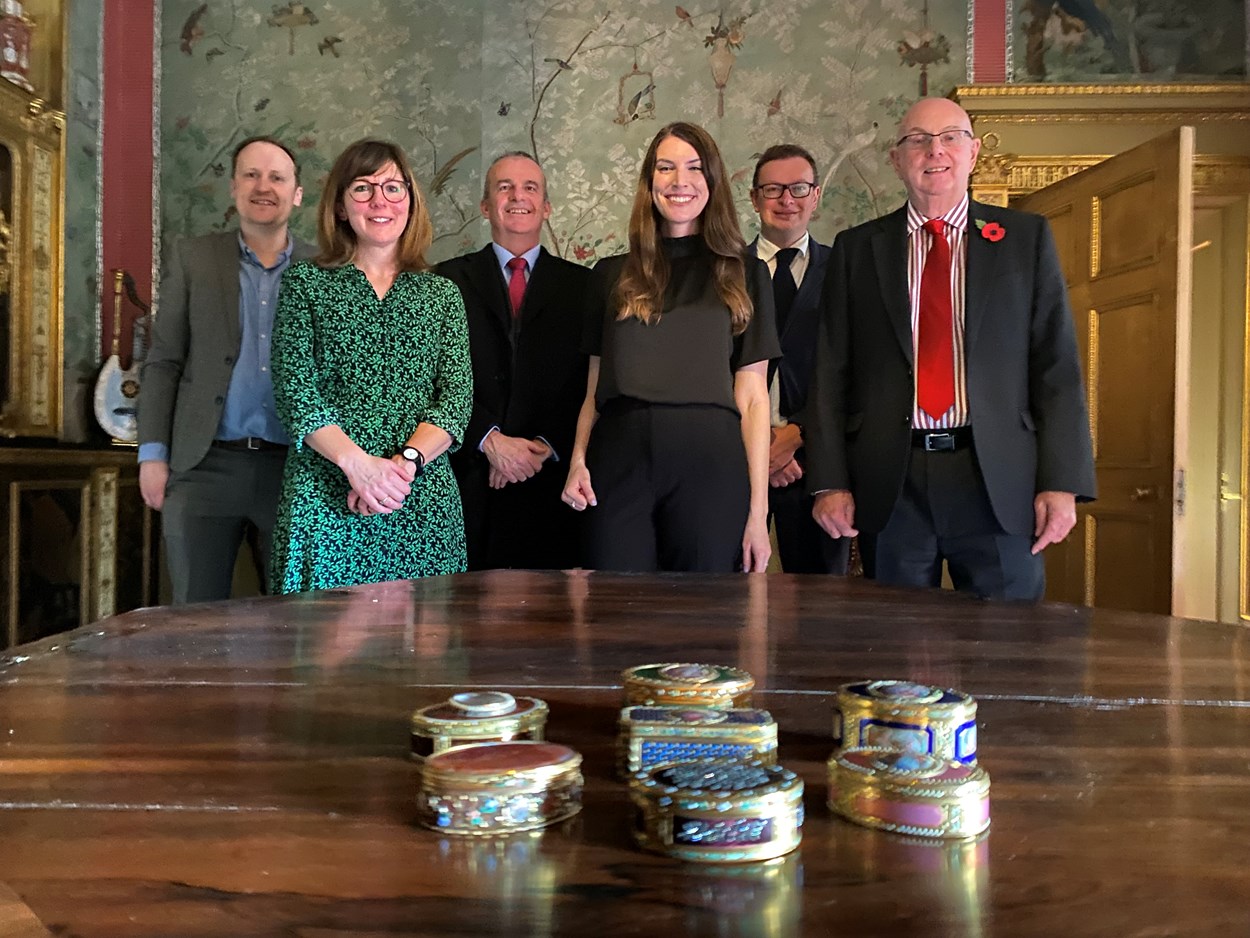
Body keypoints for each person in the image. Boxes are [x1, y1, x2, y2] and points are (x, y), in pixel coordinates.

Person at [805, 97, 1096, 601]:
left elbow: (1056, 368)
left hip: (998, 481)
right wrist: (828, 481)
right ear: (897, 159)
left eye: (950, 137)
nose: (933, 150)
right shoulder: (857, 249)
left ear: (973, 152)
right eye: (916, 139)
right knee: (895, 657)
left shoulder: (1025, 240)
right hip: (891, 483)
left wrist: (1062, 482)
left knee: (1005, 652)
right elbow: (830, 371)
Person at [562, 121, 779, 573]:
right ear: (649, 182)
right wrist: (578, 461)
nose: (680, 181)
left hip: (710, 460)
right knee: (616, 613)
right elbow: (594, 389)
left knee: (703, 620)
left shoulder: (746, 272)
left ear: (712, 181)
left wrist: (758, 513)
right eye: (666, 168)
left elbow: (755, 399)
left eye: (694, 168)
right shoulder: (609, 274)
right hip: (619, 459)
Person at [268, 138, 472, 593]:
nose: (380, 201)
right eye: (362, 188)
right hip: (326, 497)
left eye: (393, 188)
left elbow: (455, 402)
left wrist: (400, 469)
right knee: (323, 652)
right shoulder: (306, 283)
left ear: (411, 202)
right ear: (341, 207)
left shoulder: (442, 295)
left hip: (419, 499)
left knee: (421, 657)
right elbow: (296, 392)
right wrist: (358, 468)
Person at [137, 135, 313, 604]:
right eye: (252, 175)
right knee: (195, 618)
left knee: (302, 624)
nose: (264, 186)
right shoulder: (193, 257)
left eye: (277, 177)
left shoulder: (327, 268)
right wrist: (153, 455)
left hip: (296, 470)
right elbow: (164, 361)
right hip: (204, 465)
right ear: (234, 187)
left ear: (297, 193)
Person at [437, 152, 590, 570]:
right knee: (465, 621)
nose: (517, 196)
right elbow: (432, 380)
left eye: (530, 188)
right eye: (504, 187)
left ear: (546, 207)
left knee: (550, 623)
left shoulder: (586, 287)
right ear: (486, 206)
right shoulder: (443, 281)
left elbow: (589, 383)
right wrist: (490, 440)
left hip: (553, 485)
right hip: (468, 480)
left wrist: (542, 447)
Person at [748, 144, 850, 575]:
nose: (786, 200)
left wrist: (797, 432)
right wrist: (759, 449)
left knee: (819, 616)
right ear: (754, 198)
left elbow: (858, 370)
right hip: (735, 463)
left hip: (818, 465)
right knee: (722, 601)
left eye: (798, 188)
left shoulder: (846, 270)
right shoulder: (724, 271)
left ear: (816, 195)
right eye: (773, 189)